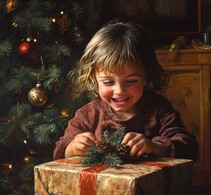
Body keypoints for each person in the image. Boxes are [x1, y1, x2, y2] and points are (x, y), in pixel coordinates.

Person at [53, 19, 198, 161]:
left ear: (146, 76)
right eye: (108, 82)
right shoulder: (88, 115)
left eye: (131, 81)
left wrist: (156, 147)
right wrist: (72, 148)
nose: (119, 90)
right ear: (93, 79)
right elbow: (59, 151)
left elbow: (189, 148)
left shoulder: (159, 110)